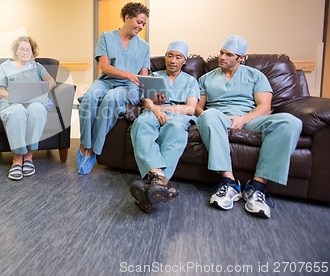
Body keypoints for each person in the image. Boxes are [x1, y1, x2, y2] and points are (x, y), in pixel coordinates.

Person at [195, 35, 303, 218]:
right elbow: (198, 107)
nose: (222, 57)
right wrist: (212, 117)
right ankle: (228, 183)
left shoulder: (256, 76)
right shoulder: (206, 78)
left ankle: (257, 187)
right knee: (207, 114)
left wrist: (243, 119)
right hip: (218, 117)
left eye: (229, 54)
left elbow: (264, 106)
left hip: (249, 118)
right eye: (221, 52)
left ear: (241, 58)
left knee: (290, 122)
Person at [77, 2, 150, 175]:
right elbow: (106, 68)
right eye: (139, 22)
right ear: (127, 17)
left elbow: (143, 75)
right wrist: (128, 74)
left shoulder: (144, 46)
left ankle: (94, 150)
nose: (141, 27)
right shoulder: (106, 37)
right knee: (90, 97)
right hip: (107, 80)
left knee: (111, 98)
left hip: (129, 87)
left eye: (143, 24)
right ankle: (84, 144)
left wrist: (148, 94)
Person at [129, 41, 200, 213]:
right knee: (141, 123)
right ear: (165, 57)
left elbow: (190, 108)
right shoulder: (154, 76)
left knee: (175, 129)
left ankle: (151, 189)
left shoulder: (191, 81)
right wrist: (154, 108)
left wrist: (165, 109)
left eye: (178, 57)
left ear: (184, 61)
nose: (172, 60)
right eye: (170, 55)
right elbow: (145, 100)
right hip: (153, 111)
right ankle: (159, 180)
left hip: (178, 114)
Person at [0, 36, 56, 181]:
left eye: (27, 49)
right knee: (18, 112)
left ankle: (28, 157)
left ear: (32, 52)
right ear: (16, 51)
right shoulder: (4, 67)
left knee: (37, 110)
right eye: (21, 49)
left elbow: (51, 82)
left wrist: (40, 91)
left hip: (34, 101)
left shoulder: (37, 67)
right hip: (11, 102)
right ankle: (17, 159)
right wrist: (15, 97)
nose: (24, 52)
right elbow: (0, 90)